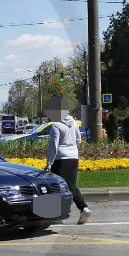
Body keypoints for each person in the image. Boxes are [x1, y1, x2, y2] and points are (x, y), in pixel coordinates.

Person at [43, 96, 91, 224]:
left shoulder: (56, 125)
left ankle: (56, 215)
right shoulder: (74, 122)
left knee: (54, 185)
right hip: (73, 157)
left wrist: (48, 164)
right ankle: (83, 208)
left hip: (60, 159)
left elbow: (53, 146)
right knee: (71, 185)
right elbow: (78, 140)